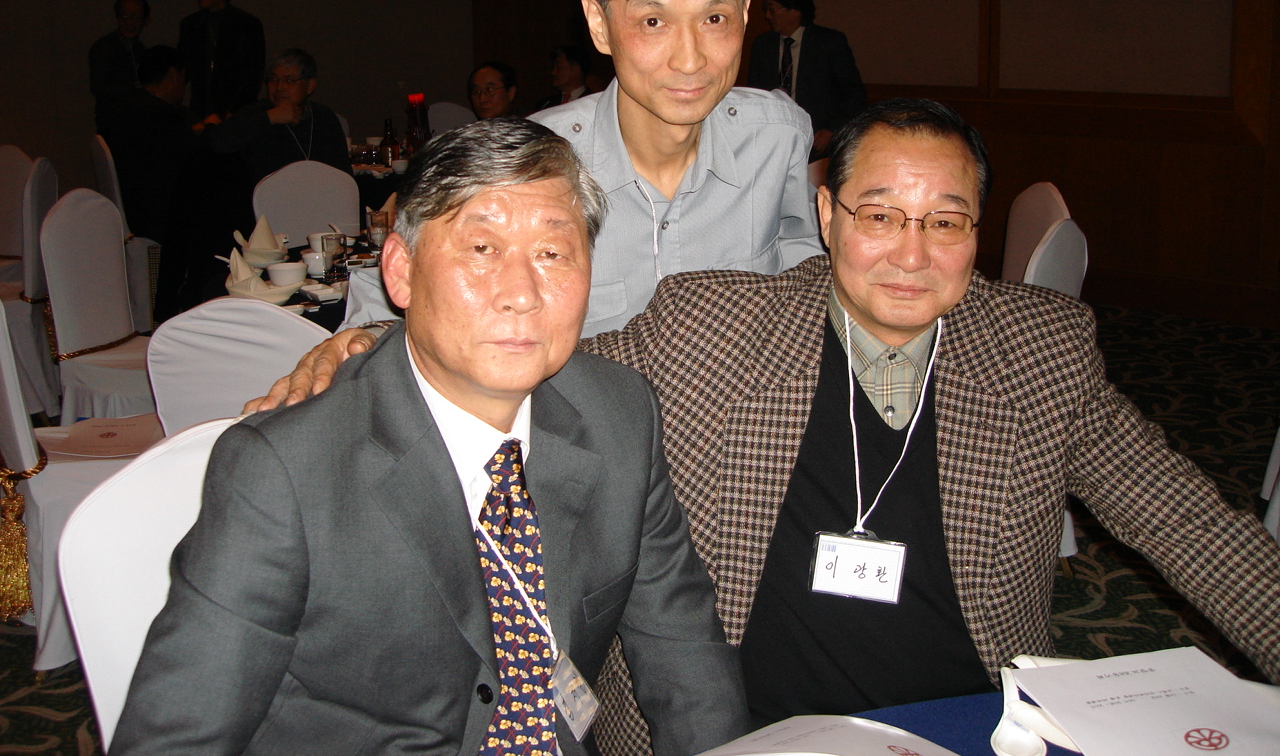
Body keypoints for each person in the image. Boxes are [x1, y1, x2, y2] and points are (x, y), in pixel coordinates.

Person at [267, 100, 1280, 756]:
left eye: (946, 221)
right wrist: (375, 347)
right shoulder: (714, 324)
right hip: (741, 729)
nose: (911, 252)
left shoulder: (1037, 351)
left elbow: (1190, 523)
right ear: (827, 215)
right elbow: (530, 361)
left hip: (958, 723)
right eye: (879, 214)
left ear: (976, 232)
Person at [113, 119, 748, 756]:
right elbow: (176, 739)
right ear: (401, 271)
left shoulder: (619, 416)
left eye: (553, 254)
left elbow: (686, 656)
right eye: (482, 249)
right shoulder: (286, 471)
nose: (522, 294)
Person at [343, 0, 823, 338]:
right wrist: (358, 341)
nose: (690, 59)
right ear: (598, 24)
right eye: (653, 21)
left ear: (744, 12)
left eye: (714, 19)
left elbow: (808, 272)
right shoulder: (529, 161)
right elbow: (391, 291)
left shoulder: (776, 137)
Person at [97, 45, 212, 242]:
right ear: (173, 75)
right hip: (155, 219)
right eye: (183, 80)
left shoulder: (127, 107)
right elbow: (193, 154)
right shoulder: (159, 114)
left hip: (133, 207)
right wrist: (211, 129)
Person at [746, 0, 867, 157]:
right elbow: (755, 95)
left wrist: (831, 130)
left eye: (772, 8)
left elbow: (854, 95)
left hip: (818, 144)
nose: (767, 16)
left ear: (794, 9)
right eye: (765, 9)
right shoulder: (763, 45)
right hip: (773, 144)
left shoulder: (829, 43)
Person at [208, 48, 351, 186]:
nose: (279, 87)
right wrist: (269, 118)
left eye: (289, 80)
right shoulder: (256, 113)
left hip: (319, 195)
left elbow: (343, 173)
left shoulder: (324, 117)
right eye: (273, 79)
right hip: (265, 198)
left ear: (309, 85)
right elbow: (218, 142)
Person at [177, 0, 266, 119]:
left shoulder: (246, 24)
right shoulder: (190, 25)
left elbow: (253, 74)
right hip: (200, 112)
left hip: (237, 113)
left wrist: (234, 111)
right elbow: (182, 70)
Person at [89, 0, 149, 126]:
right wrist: (137, 90)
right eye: (124, 16)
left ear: (146, 20)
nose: (130, 22)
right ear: (117, 18)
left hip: (137, 123)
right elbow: (99, 87)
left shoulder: (142, 51)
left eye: (136, 16)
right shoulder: (104, 48)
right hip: (113, 123)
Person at [535, 45, 592, 110]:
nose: (553, 72)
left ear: (576, 70)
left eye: (559, 67)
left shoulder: (594, 102)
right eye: (554, 67)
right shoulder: (545, 105)